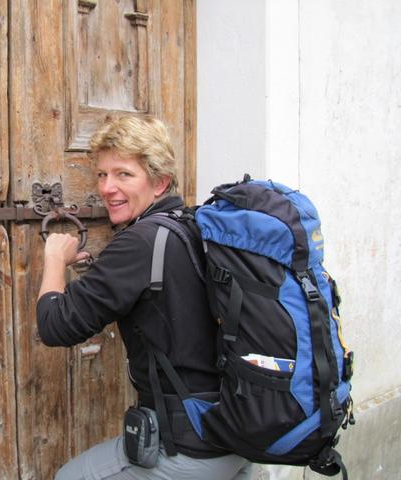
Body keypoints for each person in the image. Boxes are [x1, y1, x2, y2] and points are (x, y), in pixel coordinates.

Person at [36, 116, 252, 480]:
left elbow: (55, 326)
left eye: (123, 174)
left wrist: (55, 258)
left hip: (189, 445)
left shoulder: (141, 242)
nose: (107, 188)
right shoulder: (192, 225)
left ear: (160, 182)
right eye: (102, 174)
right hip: (237, 431)